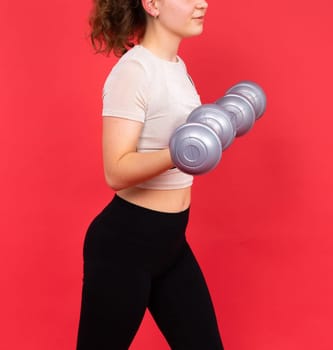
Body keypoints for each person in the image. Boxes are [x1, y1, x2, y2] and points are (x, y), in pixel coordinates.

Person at [76, 0, 224, 348]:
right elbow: (116, 170)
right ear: (153, 4)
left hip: (171, 244)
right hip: (125, 247)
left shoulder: (176, 67)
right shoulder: (135, 71)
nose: (202, 3)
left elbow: (188, 145)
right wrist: (179, 152)